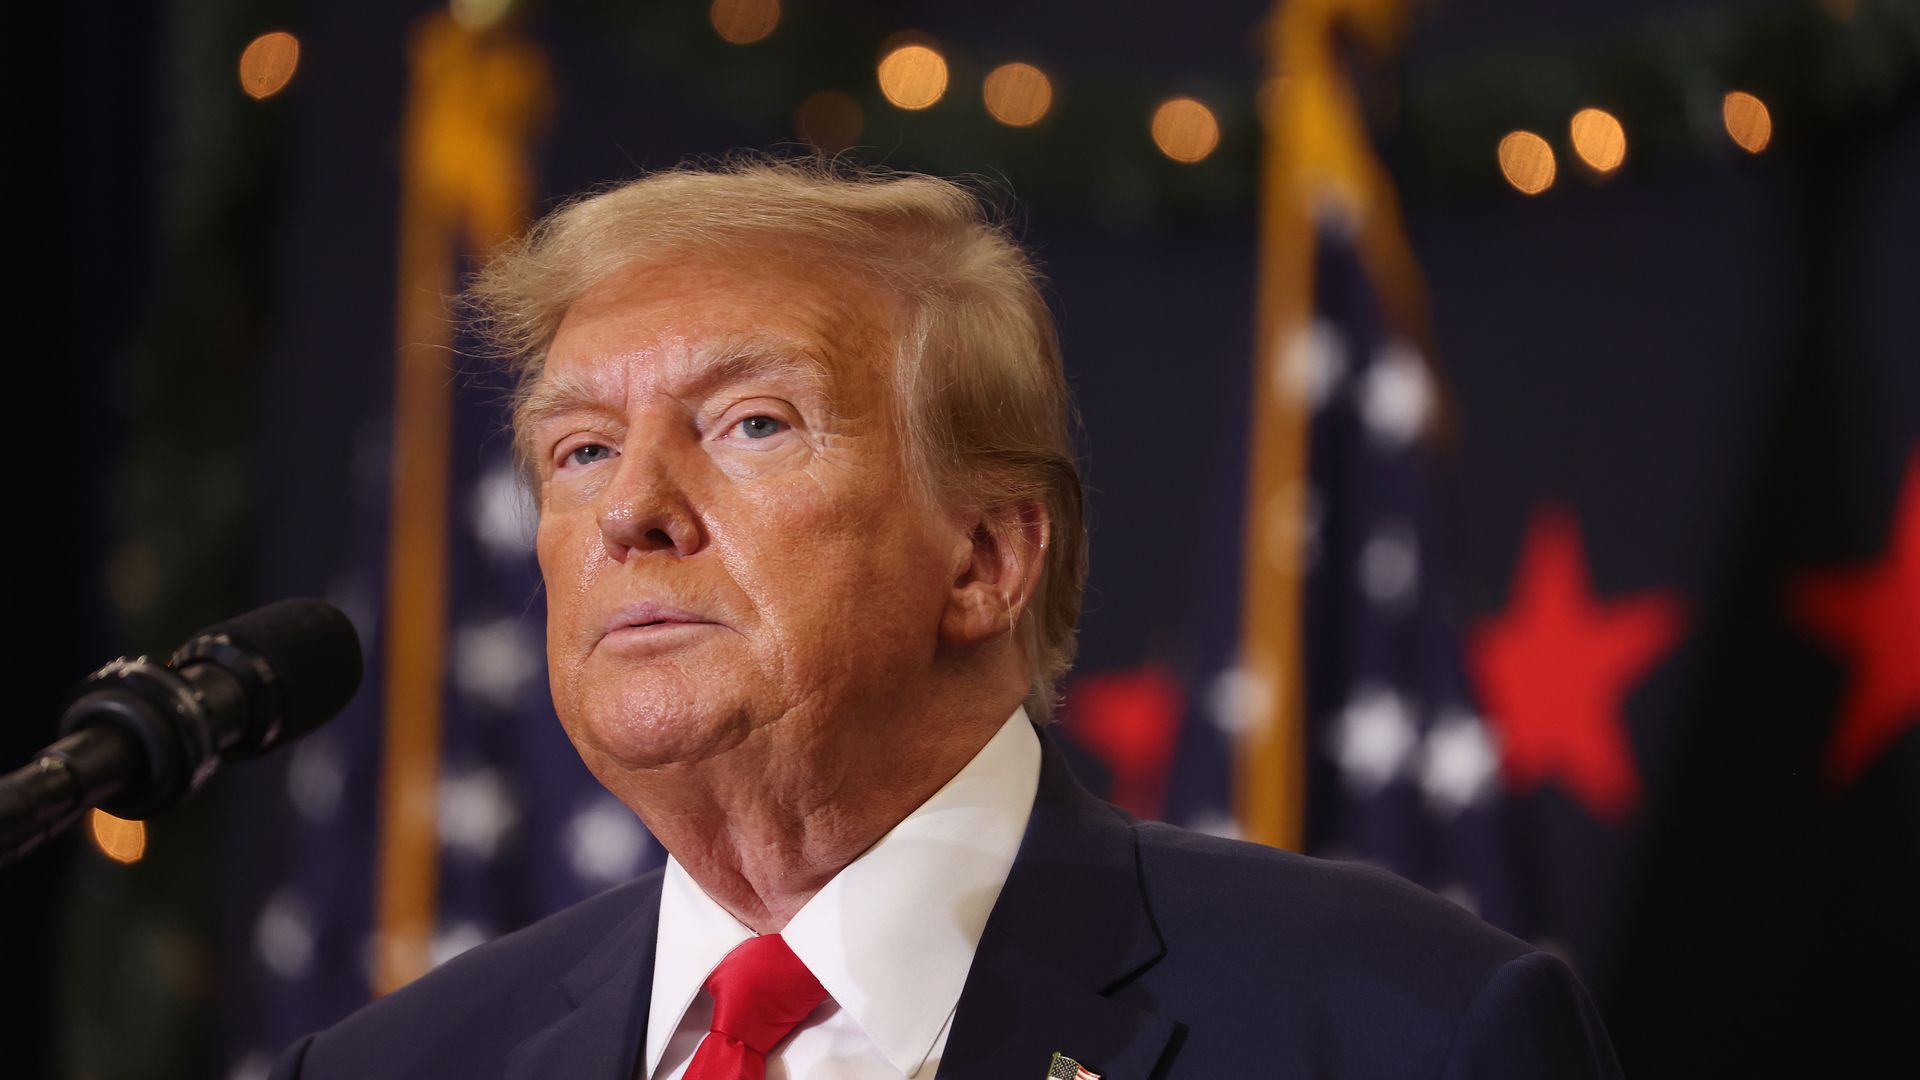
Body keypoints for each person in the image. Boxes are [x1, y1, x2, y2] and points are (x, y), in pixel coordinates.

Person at [271, 161, 1622, 1080]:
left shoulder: (1400, 1035)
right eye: (576, 452)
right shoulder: (397, 1065)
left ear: (985, 557)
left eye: (751, 423)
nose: (632, 512)